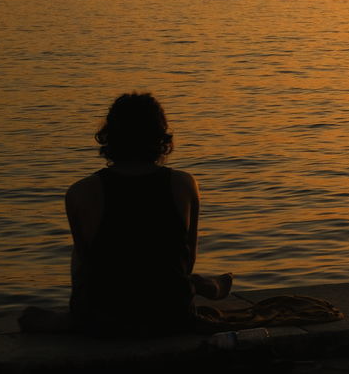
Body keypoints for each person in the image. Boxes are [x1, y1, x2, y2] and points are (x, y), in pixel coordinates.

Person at [62, 93, 231, 335]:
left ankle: (203, 285)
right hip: (171, 313)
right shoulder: (183, 184)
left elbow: (87, 268)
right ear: (161, 136)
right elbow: (186, 261)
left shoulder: (80, 192)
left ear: (109, 135)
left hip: (105, 318)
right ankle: (203, 285)